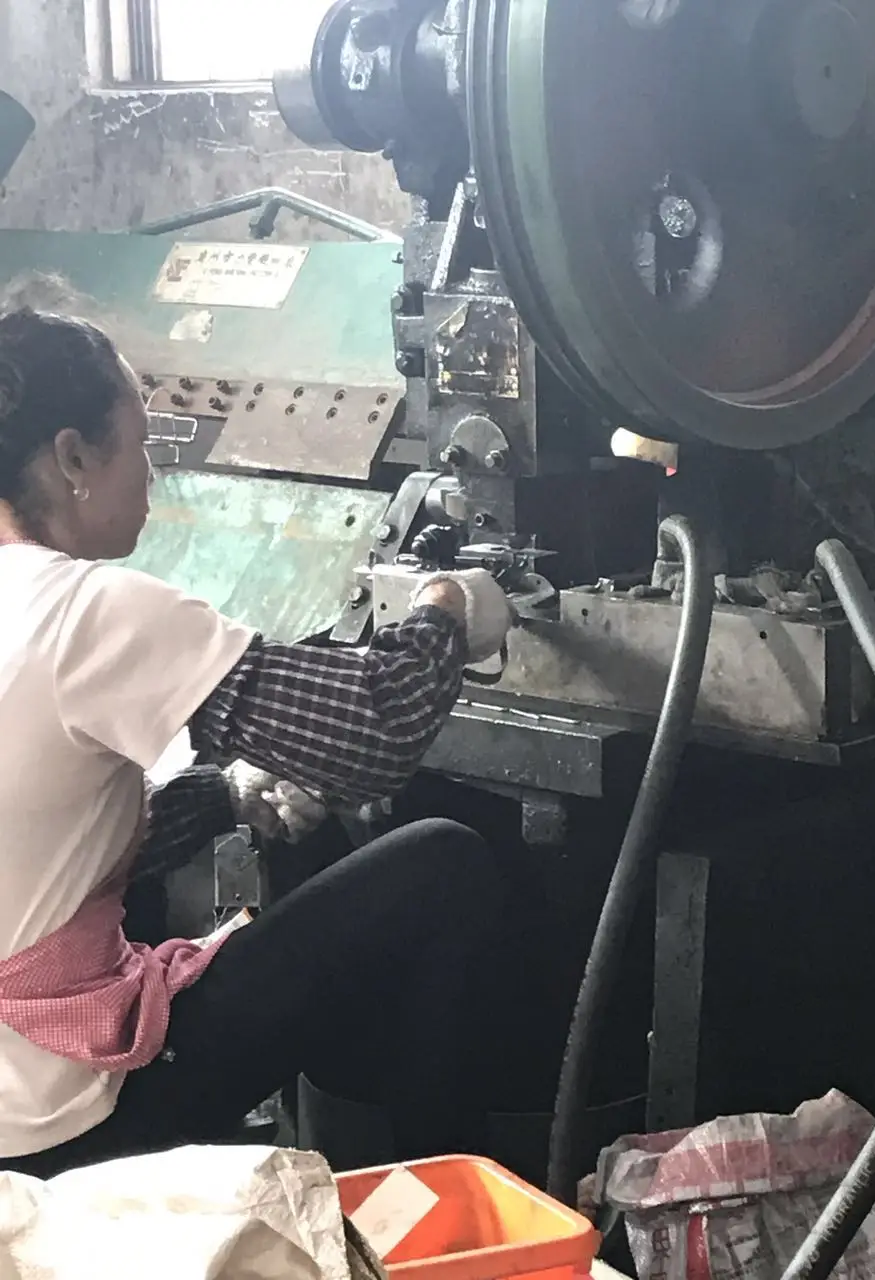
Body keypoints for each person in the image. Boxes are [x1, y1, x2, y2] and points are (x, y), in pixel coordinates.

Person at [0, 307, 515, 1178]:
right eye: (141, 443)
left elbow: (45, 849)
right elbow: (376, 729)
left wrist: (225, 794)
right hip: (57, 1127)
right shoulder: (86, 611)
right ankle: (444, 1214)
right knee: (442, 865)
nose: (153, 472)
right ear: (74, 458)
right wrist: (448, 609)